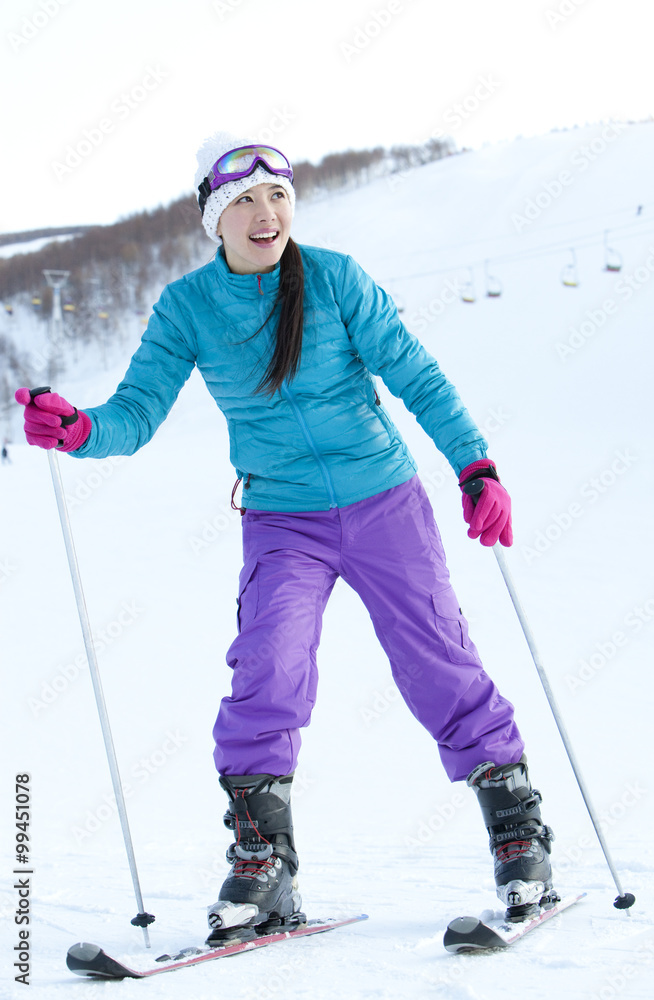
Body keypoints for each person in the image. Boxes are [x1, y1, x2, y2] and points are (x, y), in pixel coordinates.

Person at [16, 133, 554, 941]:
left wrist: (475, 467)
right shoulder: (187, 308)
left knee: (436, 658)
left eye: (277, 198)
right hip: (281, 518)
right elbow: (134, 414)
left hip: (384, 501)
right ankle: (263, 865)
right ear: (213, 218)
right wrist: (79, 429)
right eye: (243, 201)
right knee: (267, 665)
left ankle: (519, 838)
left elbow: (414, 372)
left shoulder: (335, 279)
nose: (265, 215)